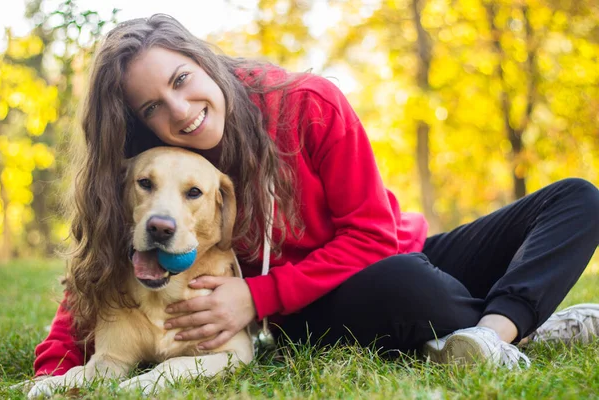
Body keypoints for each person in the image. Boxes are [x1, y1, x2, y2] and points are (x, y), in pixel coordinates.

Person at [33, 14, 599, 377]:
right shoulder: (161, 172)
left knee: (578, 198)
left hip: (398, 253)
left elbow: (376, 234)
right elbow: (107, 256)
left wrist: (254, 295)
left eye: (180, 80)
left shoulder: (307, 103)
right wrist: (54, 366)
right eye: (152, 107)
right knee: (406, 286)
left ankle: (496, 333)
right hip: (318, 305)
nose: (179, 111)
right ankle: (523, 324)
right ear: (140, 125)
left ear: (204, 62)